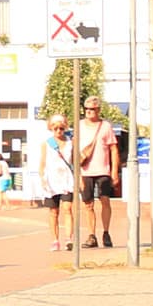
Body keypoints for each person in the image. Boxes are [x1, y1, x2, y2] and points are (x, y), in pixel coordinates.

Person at [76, 95, 123, 248]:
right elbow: (75, 150)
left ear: (98, 110)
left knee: (105, 200)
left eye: (93, 109)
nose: (90, 112)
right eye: (87, 109)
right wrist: (76, 174)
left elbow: (113, 149)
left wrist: (114, 171)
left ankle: (106, 232)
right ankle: (91, 235)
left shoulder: (105, 126)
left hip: (103, 170)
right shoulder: (79, 126)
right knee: (88, 204)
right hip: (85, 171)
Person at [40, 116, 79, 250]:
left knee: (67, 208)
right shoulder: (47, 143)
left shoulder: (70, 142)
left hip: (67, 180)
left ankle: (69, 238)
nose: (58, 131)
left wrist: (78, 178)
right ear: (51, 128)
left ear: (65, 128)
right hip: (51, 181)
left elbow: (74, 161)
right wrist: (42, 179)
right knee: (53, 211)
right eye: (55, 128)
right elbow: (43, 163)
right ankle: (55, 240)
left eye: (61, 128)